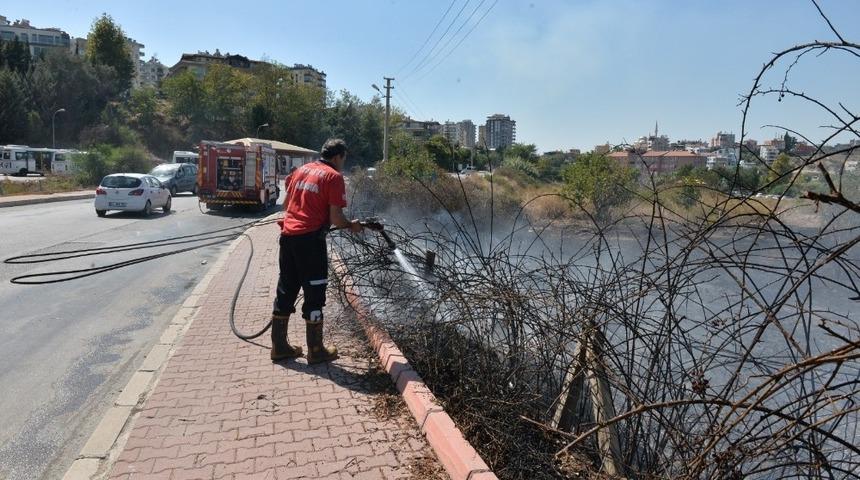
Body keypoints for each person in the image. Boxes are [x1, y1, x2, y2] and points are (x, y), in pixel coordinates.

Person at [270, 139, 363, 363]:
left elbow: (286, 206)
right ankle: (316, 349)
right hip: (310, 242)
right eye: (344, 159)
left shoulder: (301, 170)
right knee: (315, 293)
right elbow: (336, 218)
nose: (343, 163)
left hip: (288, 237)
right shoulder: (333, 177)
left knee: (286, 289)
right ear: (338, 156)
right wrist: (351, 226)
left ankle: (279, 347)